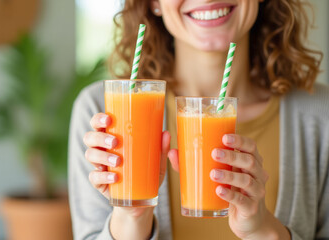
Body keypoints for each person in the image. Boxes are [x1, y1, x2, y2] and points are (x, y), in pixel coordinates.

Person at [68, 0, 329, 239]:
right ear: (154, 3)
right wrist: (131, 216)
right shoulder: (102, 110)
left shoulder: (321, 115)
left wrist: (265, 231)